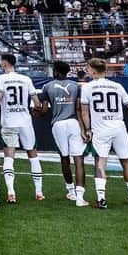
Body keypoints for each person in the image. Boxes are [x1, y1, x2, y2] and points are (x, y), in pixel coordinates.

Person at [80, 57, 128, 208]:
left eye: (88, 68)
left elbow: (84, 112)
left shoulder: (87, 87)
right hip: (118, 128)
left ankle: (101, 200)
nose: (87, 70)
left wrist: (87, 129)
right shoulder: (117, 86)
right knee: (126, 162)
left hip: (100, 129)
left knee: (100, 163)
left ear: (93, 70)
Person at [0, 53, 44, 202]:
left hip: (9, 121)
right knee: (33, 155)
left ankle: (11, 192)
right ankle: (39, 192)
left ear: (4, 64)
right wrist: (36, 109)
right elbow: (36, 102)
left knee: (9, 155)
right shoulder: (26, 79)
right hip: (25, 121)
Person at [37, 60, 87, 205]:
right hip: (73, 123)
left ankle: (70, 191)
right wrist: (84, 128)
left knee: (64, 158)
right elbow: (79, 108)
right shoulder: (76, 86)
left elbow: (44, 110)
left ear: (57, 71)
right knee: (78, 160)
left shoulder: (47, 86)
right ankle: (80, 197)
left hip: (58, 125)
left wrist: (37, 112)